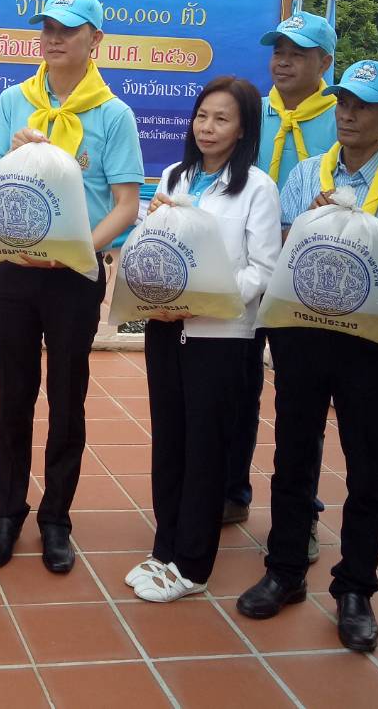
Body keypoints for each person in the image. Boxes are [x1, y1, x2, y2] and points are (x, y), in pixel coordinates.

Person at [236, 61, 378, 651]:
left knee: (366, 467)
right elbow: (280, 249)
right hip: (302, 339)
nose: (348, 115)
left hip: (366, 346)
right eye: (343, 103)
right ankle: (284, 570)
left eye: (364, 107)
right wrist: (314, 224)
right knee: (293, 455)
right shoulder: (309, 173)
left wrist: (355, 247)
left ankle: (355, 589)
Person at [0, 0, 143, 574]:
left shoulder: (113, 114)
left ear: (95, 39)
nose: (53, 38)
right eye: (47, 27)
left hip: (74, 275)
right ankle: (7, 512)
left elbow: (126, 205)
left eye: (67, 29)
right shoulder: (14, 101)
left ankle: (56, 518)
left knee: (67, 396)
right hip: (12, 271)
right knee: (14, 392)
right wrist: (11, 153)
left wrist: (76, 251)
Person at [124, 76, 280, 602]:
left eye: (222, 119)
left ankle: (192, 565)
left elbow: (263, 269)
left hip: (221, 336)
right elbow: (156, 245)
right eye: (202, 116)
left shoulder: (257, 188)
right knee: (170, 439)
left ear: (243, 129)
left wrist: (204, 300)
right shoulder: (175, 176)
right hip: (166, 327)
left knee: (206, 447)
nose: (207, 128)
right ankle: (164, 547)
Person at [235, 10, 339, 557]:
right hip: (248, 271)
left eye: (298, 53)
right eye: (278, 50)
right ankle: (231, 490)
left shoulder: (342, 119)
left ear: (325, 62)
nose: (284, 61)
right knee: (235, 385)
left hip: (306, 282)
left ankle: (302, 513)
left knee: (302, 402)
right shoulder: (253, 112)